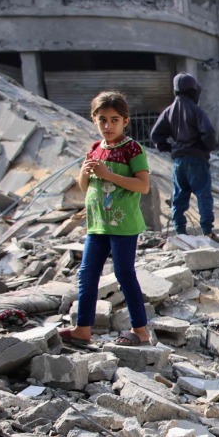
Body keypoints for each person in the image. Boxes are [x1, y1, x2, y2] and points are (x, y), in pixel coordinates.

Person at [60, 91, 151, 349]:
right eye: (102, 120)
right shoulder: (95, 149)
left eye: (114, 120)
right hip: (97, 224)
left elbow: (143, 186)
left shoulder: (132, 148)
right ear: (94, 120)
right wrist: (85, 172)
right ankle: (82, 329)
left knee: (124, 274)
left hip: (123, 226)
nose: (108, 126)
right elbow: (84, 185)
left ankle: (140, 331)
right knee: (87, 275)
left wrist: (107, 174)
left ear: (125, 121)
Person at [151, 73, 219, 240]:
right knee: (203, 194)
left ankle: (180, 232)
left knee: (179, 196)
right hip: (197, 160)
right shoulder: (197, 111)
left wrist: (168, 147)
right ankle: (207, 232)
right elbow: (208, 133)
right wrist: (207, 147)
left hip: (179, 161)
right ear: (193, 91)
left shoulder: (168, 111)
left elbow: (155, 134)